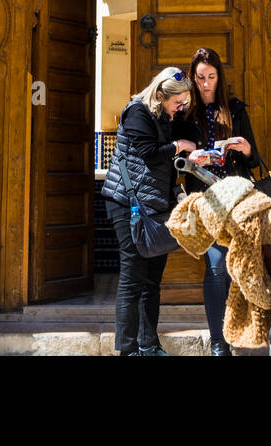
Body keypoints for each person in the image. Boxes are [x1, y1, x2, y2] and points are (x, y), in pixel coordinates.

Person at [101, 67, 195, 357]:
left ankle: (149, 345)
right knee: (132, 278)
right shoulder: (137, 113)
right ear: (159, 94)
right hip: (127, 204)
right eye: (177, 103)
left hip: (154, 206)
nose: (181, 109)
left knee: (152, 280)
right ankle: (128, 350)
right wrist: (178, 146)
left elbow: (164, 158)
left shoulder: (164, 117)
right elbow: (150, 154)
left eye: (184, 104)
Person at [175, 46, 262, 356]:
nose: (206, 83)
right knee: (215, 267)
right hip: (203, 200)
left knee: (236, 266)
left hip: (235, 197)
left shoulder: (235, 110)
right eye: (200, 78)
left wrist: (246, 149)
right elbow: (174, 155)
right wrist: (190, 154)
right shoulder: (185, 113)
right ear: (193, 78)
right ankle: (218, 341)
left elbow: (255, 161)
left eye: (211, 77)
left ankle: (239, 331)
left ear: (219, 77)